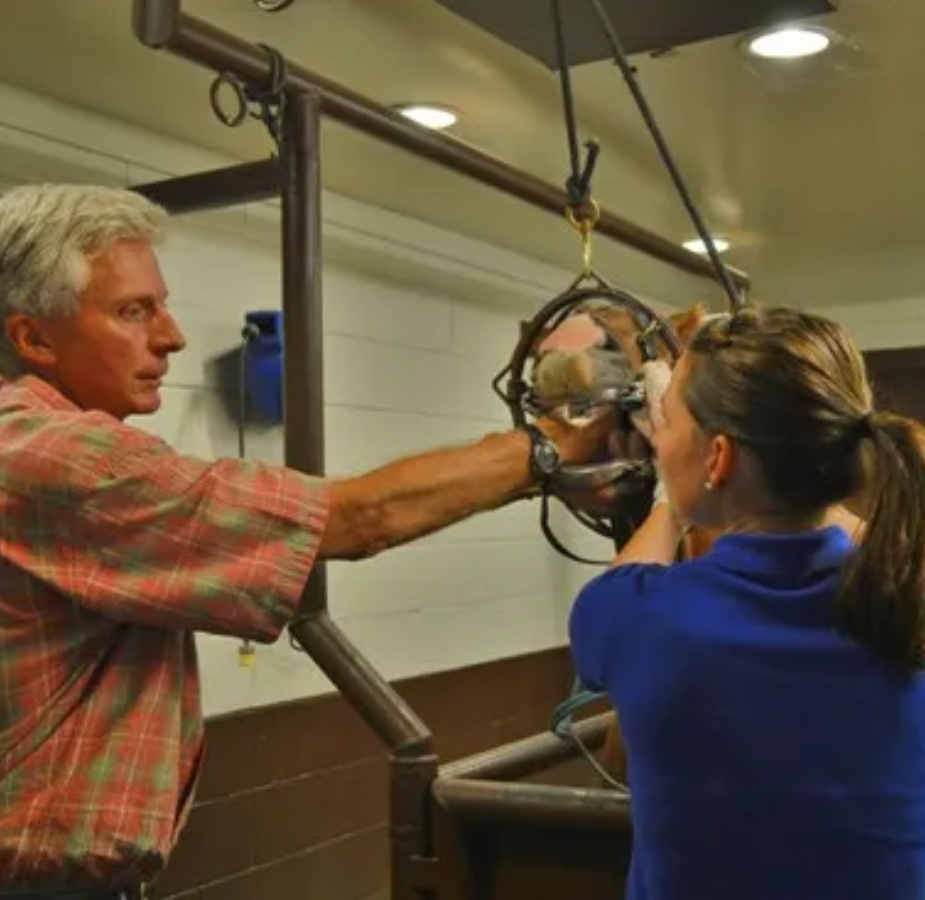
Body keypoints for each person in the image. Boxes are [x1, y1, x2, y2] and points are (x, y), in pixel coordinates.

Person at [0, 183, 616, 896]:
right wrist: (551, 446)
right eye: (133, 311)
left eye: (161, 306)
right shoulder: (53, 457)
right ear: (32, 338)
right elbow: (359, 518)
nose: (171, 336)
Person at [570, 305, 925, 900]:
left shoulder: (637, 619)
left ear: (719, 457)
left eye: (672, 423)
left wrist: (670, 500)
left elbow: (621, 587)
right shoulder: (908, 603)